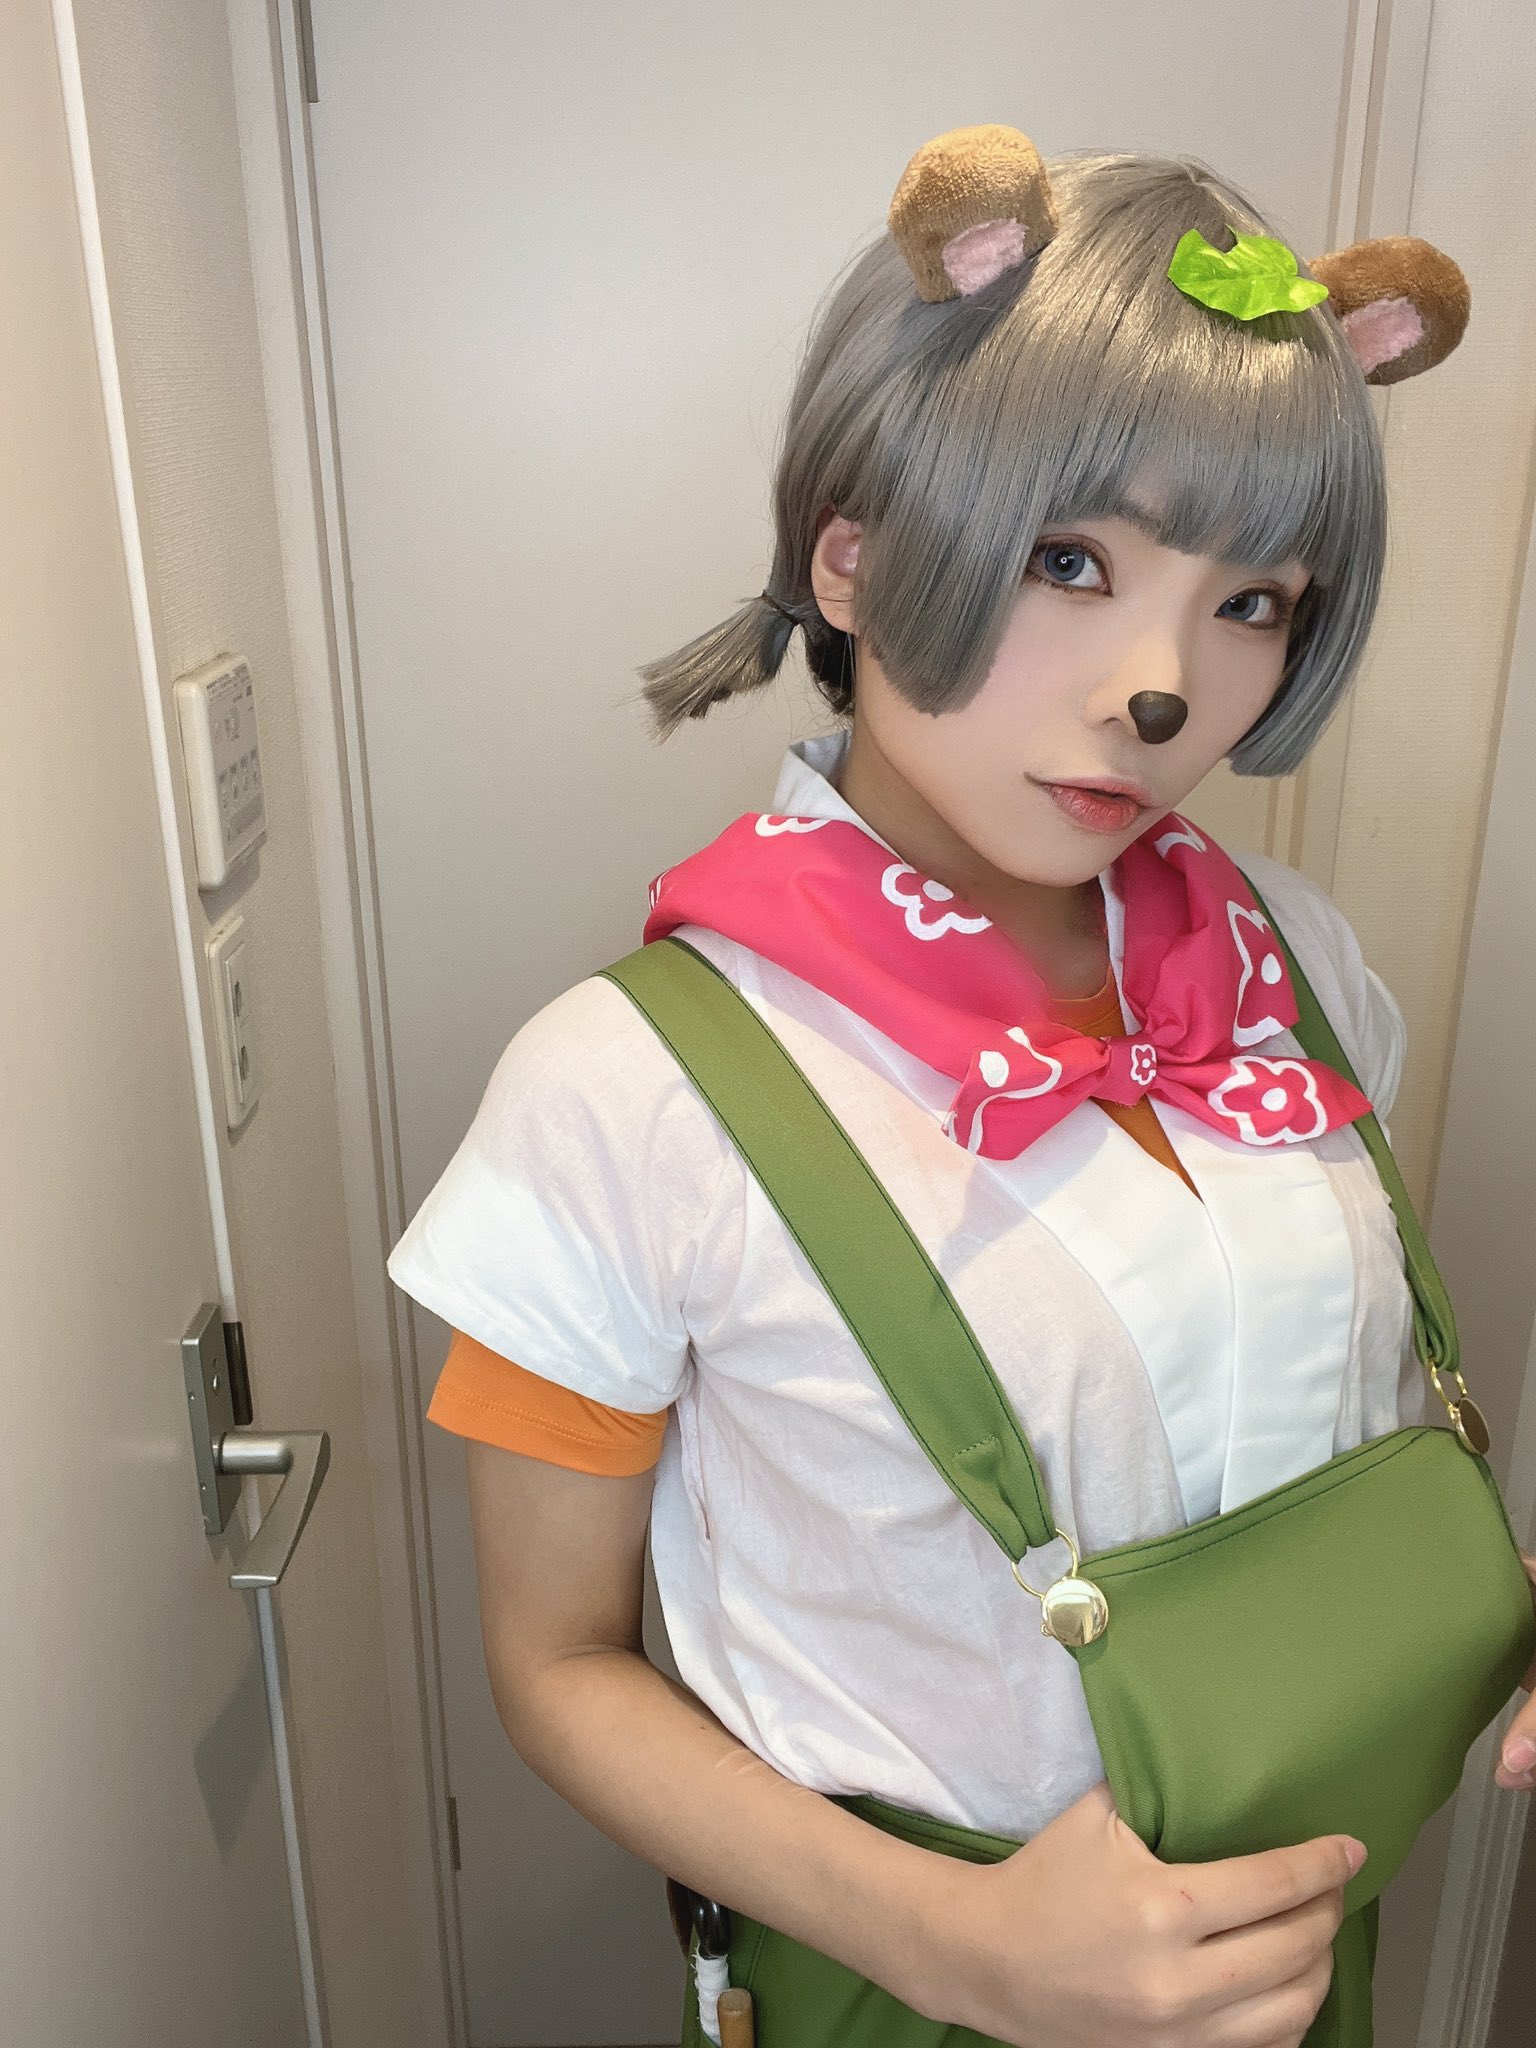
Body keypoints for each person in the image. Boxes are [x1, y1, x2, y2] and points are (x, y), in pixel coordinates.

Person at [386, 125, 1536, 2048]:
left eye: (1253, 597)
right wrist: (952, 1942)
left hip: (1307, 1962)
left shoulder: (1293, 962)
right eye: (1069, 558)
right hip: (917, 2002)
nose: (1159, 684)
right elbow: (557, 1663)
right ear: (850, 556)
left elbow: (1302, 1431)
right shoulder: (623, 1092)